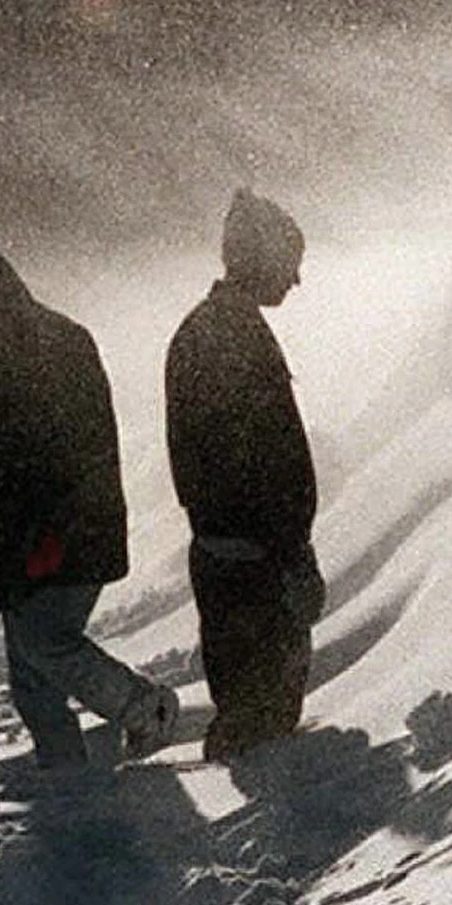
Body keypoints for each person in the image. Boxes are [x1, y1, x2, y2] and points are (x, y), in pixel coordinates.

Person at [0, 237, 179, 767]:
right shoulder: (22, 348)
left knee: (43, 644)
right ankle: (64, 775)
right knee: (31, 671)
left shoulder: (14, 355)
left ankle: (145, 709)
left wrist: (28, 535)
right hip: (51, 530)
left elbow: (33, 461)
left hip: (59, 533)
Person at [164, 190, 324, 763]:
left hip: (233, 554)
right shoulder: (233, 338)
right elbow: (258, 461)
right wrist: (286, 551)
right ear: (261, 259)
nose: (297, 279)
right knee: (263, 724)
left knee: (248, 718)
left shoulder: (208, 330)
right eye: (290, 262)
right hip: (256, 562)